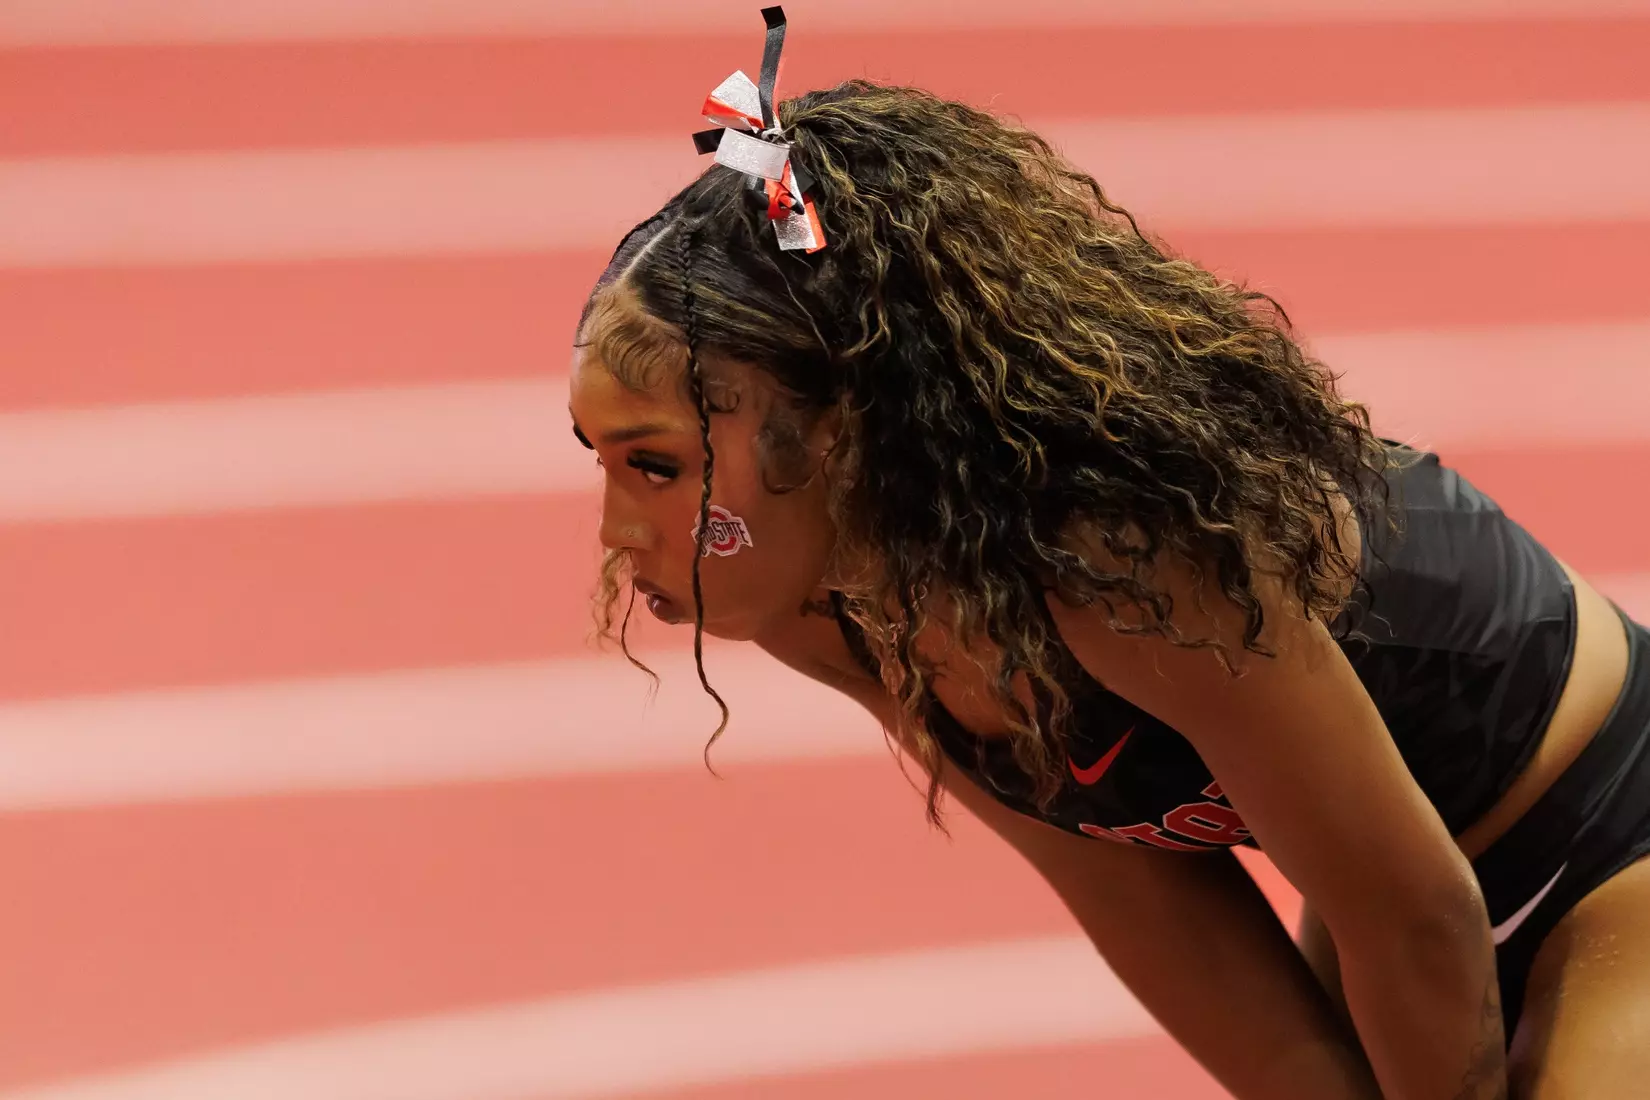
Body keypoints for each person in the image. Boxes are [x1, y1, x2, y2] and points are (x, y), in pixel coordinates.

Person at [567, 41, 1650, 1100]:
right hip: (1401, 883)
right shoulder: (815, 603)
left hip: (1605, 843)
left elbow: (1415, 919)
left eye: (656, 465)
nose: (617, 530)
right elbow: (1141, 897)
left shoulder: (1110, 553)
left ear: (836, 434)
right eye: (601, 460)